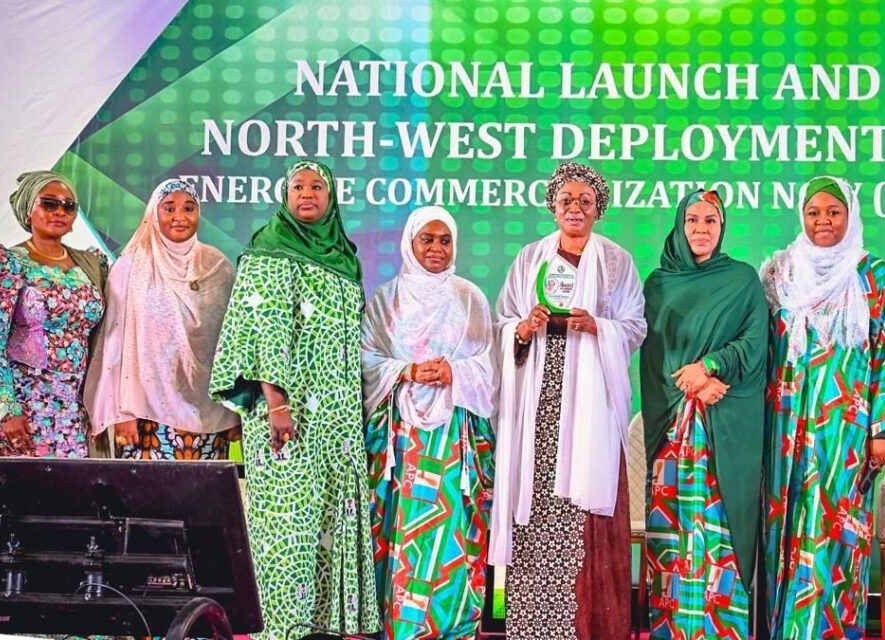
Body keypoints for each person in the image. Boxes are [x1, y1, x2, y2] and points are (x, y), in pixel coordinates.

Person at [209, 160, 378, 637]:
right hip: (288, 411)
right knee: (288, 519)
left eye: (317, 186)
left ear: (331, 196)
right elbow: (266, 329)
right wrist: (277, 403)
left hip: (337, 413)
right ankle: (281, 625)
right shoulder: (271, 247)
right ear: (284, 196)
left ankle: (324, 622)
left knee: (330, 512)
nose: (307, 193)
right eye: (298, 186)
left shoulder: (344, 257)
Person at [489, 162, 646, 639]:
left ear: (599, 208)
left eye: (585, 201)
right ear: (552, 207)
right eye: (566, 200)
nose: (575, 208)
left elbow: (635, 325)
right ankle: (536, 628)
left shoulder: (616, 261)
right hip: (538, 403)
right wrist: (523, 329)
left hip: (592, 406)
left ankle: (591, 627)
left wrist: (598, 326)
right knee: (538, 511)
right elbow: (503, 322)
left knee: (587, 513)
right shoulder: (530, 258)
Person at [761, 176, 885, 639]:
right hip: (784, 426)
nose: (823, 221)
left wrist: (883, 429)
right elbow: (760, 346)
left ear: (850, 214)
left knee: (837, 531)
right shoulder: (780, 271)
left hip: (845, 431)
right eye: (813, 212)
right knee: (783, 529)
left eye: (833, 212)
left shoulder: (873, 275)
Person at [362, 206, 496, 639]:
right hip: (400, 439)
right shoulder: (386, 300)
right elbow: (365, 359)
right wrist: (407, 371)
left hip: (453, 437)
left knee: (452, 528)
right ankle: (399, 627)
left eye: (445, 240)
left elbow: (489, 365)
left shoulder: (470, 298)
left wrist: (454, 372)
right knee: (399, 528)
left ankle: (453, 624)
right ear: (410, 243)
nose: (436, 248)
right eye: (427, 239)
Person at [640, 190, 767, 639]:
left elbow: (755, 343)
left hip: (723, 423)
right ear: (679, 225)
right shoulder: (658, 284)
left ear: (722, 227)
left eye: (710, 220)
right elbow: (654, 352)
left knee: (719, 533)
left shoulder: (742, 280)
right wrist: (692, 381)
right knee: (671, 535)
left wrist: (711, 366)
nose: (700, 229)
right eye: (692, 220)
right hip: (673, 429)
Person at [84, 179, 239, 459]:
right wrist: (121, 412)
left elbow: (232, 343)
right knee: (149, 486)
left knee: (203, 486)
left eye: (189, 208)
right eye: (169, 208)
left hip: (209, 414)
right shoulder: (131, 267)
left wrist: (232, 413)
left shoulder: (218, 267)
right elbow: (114, 344)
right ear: (153, 214)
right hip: (146, 414)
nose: (180, 216)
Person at [0, 171, 107, 458]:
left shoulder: (90, 265)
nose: (60, 211)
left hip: (77, 405)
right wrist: (6, 409)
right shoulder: (8, 263)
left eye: (69, 206)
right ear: (28, 209)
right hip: (26, 403)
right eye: (49, 203)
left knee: (77, 484)